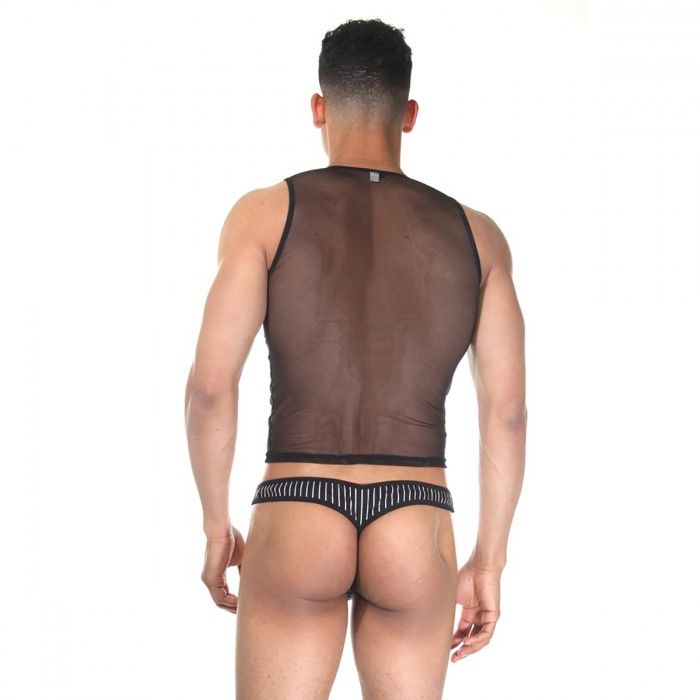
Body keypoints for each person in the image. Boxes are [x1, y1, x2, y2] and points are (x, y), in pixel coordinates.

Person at [184, 18, 526, 699]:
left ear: (319, 107)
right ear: (409, 114)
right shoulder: (477, 237)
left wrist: (216, 523)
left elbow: (211, 389)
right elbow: (508, 414)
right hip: (417, 515)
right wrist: (490, 559)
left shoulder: (265, 214)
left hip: (297, 505)